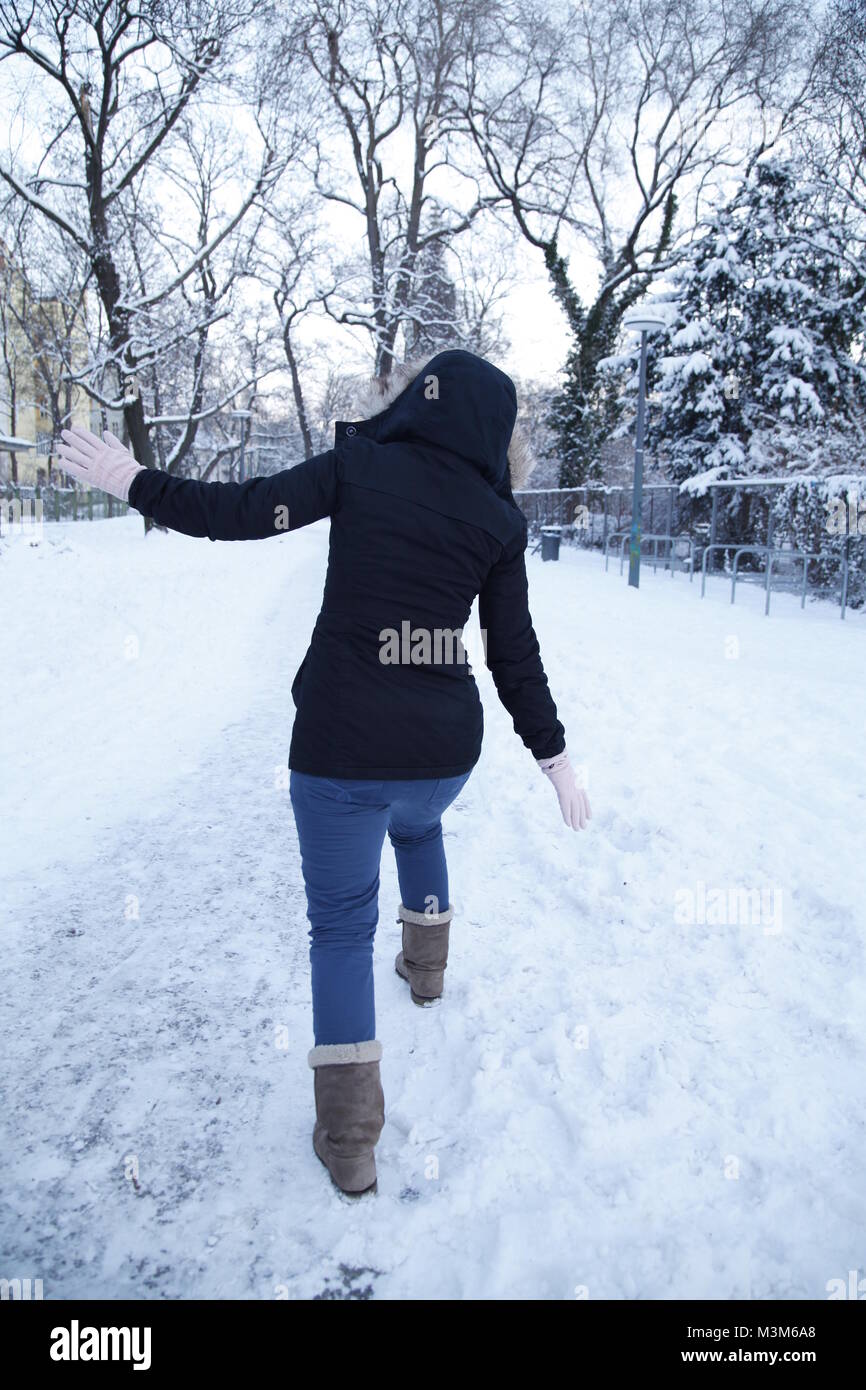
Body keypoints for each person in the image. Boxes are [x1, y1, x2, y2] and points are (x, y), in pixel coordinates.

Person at [58, 348, 591, 1197]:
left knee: (342, 928)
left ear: (420, 400)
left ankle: (350, 1138)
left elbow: (238, 512)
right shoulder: (498, 520)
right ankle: (428, 972)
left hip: (342, 744)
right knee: (418, 823)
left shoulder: (360, 467)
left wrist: (134, 478)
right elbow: (512, 652)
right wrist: (554, 758)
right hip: (444, 751)